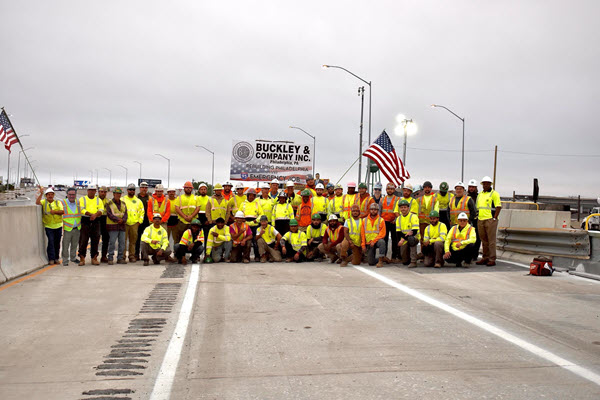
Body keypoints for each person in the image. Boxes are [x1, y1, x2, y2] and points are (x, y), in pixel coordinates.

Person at [475, 176, 502, 267]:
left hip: (490, 219)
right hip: (481, 219)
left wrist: (494, 218)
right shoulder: (480, 195)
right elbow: (478, 207)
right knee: (484, 240)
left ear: (490, 184)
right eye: (484, 183)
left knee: (491, 240)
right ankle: (485, 257)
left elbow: (498, 206)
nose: (485, 185)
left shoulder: (494, 194)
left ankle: (492, 258)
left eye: (487, 183)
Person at [78, 185, 105, 266]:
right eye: (90, 190)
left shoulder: (98, 200)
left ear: (95, 191)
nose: (91, 191)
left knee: (95, 240)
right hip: (85, 221)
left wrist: (95, 215)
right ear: (87, 190)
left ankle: (94, 258)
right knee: (83, 240)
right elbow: (81, 209)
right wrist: (90, 214)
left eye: (93, 190)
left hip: (96, 221)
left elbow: (101, 210)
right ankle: (82, 258)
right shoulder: (82, 199)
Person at [36, 187, 64, 265]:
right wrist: (41, 193)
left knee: (57, 243)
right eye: (48, 194)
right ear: (46, 195)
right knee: (51, 242)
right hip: (49, 226)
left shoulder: (57, 202)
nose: (50, 196)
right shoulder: (44, 202)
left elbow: (62, 211)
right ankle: (51, 258)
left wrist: (55, 211)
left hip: (58, 226)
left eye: (51, 194)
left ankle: (56, 258)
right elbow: (37, 202)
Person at [105, 187, 128, 265]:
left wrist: (123, 220)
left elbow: (126, 214)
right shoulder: (109, 203)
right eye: (116, 193)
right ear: (113, 194)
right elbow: (109, 214)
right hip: (113, 226)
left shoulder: (123, 204)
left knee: (122, 243)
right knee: (112, 242)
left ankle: (120, 258)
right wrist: (117, 219)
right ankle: (110, 258)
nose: (118, 195)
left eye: (119, 193)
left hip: (122, 226)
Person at [239, 188, 264, 260]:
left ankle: (257, 256)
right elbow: (239, 213)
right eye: (250, 195)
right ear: (247, 196)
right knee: (246, 241)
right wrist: (242, 220)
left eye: (253, 196)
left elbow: (261, 214)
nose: (251, 197)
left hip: (255, 225)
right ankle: (245, 257)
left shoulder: (257, 204)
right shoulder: (243, 204)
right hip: (245, 225)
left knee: (255, 241)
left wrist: (257, 220)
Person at [123, 184, 145, 262]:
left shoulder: (138, 201)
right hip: (125, 223)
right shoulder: (123, 199)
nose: (132, 191)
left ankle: (132, 256)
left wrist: (139, 221)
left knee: (133, 241)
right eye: (130, 189)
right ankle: (122, 256)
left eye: (133, 190)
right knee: (123, 241)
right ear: (127, 190)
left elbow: (142, 212)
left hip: (134, 224)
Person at [60, 187, 82, 266]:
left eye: (73, 194)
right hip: (67, 228)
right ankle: (65, 260)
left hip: (77, 228)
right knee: (65, 246)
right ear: (67, 195)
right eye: (70, 194)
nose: (72, 196)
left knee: (74, 244)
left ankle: (73, 258)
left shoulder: (78, 202)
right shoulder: (63, 203)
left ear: (76, 195)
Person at [361, 203, 387, 267]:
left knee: (382, 242)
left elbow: (382, 234)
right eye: (372, 209)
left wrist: (374, 241)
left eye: (375, 210)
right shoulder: (364, 220)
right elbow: (362, 234)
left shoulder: (381, 220)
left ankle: (380, 261)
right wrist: (363, 245)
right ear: (369, 210)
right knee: (370, 262)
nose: (373, 211)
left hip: (377, 241)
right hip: (369, 243)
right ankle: (383, 259)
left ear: (377, 211)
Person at [396, 199, 419, 267]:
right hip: (405, 238)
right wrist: (404, 238)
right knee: (405, 262)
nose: (403, 209)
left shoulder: (413, 216)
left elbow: (414, 231)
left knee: (411, 239)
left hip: (414, 238)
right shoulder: (398, 219)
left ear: (408, 208)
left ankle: (413, 261)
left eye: (405, 207)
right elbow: (398, 233)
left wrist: (403, 239)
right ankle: (418, 256)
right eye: (402, 207)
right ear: (399, 209)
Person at [380, 183, 400, 263]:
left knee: (394, 240)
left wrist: (396, 219)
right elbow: (380, 211)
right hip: (384, 221)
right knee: (384, 240)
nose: (390, 190)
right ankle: (384, 256)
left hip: (393, 222)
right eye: (388, 189)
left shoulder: (397, 199)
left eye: (391, 189)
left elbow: (398, 210)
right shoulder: (382, 199)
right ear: (386, 189)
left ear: (394, 190)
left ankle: (394, 256)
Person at [135, 182, 151, 261]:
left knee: (145, 239)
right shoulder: (136, 198)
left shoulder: (150, 198)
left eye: (145, 187)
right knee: (137, 239)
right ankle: (136, 255)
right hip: (137, 221)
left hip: (147, 221)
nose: (144, 189)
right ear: (140, 188)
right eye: (142, 187)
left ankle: (144, 254)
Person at [98, 186, 110, 263]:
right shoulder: (95, 200)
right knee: (95, 239)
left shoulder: (108, 201)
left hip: (105, 220)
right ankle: (94, 256)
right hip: (97, 220)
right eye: (102, 192)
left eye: (105, 192)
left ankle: (103, 256)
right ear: (99, 192)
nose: (103, 193)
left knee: (106, 240)